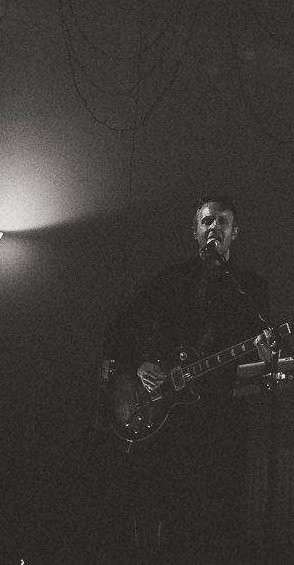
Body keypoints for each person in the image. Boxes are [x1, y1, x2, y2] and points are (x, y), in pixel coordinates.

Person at [106, 196, 271, 564]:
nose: (215, 228)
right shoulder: (170, 281)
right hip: (173, 423)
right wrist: (138, 364)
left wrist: (264, 352)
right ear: (195, 232)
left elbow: (259, 350)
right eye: (207, 222)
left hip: (223, 420)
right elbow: (123, 325)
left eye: (223, 223)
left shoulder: (250, 288)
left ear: (235, 234)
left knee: (219, 520)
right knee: (172, 514)